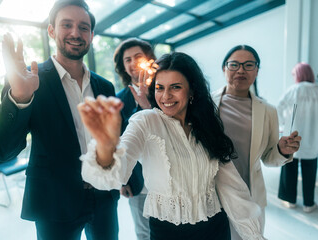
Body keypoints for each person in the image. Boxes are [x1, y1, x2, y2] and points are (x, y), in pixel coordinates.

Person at [78, 52, 267, 240]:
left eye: (175, 87)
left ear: (192, 90)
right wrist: (105, 145)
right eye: (160, 88)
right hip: (167, 233)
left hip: (215, 229)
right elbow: (114, 176)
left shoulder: (207, 126)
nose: (166, 96)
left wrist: (255, 236)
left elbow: (232, 188)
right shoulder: (146, 121)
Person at [0, 1, 119, 239]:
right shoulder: (28, 80)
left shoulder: (105, 86)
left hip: (104, 196)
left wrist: (130, 179)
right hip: (54, 202)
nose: (76, 33)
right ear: (51, 30)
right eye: (66, 25)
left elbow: (117, 139)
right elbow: (0, 150)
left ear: (91, 34)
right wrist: (20, 97)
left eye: (83, 27)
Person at [211, 45, 301, 239]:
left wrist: (281, 150)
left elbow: (269, 158)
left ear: (257, 71)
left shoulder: (267, 110)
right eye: (234, 64)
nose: (241, 70)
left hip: (249, 197)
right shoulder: (206, 104)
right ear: (224, 69)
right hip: (212, 194)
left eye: (248, 65)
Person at [113, 38, 156, 240]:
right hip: (138, 179)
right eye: (127, 59)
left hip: (170, 174)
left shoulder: (164, 90)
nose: (132, 63)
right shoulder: (120, 99)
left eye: (137, 57)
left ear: (148, 59)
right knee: (144, 232)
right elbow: (118, 142)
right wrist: (122, 181)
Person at [277, 63, 318, 213]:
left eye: (294, 74)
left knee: (289, 166)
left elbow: (279, 108)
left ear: (299, 75)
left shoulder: (293, 90)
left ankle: (290, 200)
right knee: (310, 168)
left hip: (293, 136)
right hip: (313, 138)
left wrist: (284, 124)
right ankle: (309, 203)